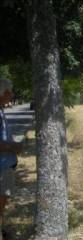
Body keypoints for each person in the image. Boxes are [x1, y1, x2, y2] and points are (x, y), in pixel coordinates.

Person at [0, 79, 22, 240]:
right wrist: (14, 147)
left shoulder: (1, 110)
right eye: (9, 92)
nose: (12, 95)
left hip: (6, 165)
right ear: (2, 93)